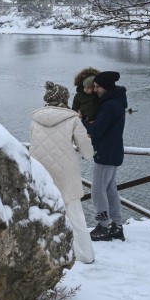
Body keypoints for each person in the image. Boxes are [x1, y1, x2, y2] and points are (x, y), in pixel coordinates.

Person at [30, 81, 96, 264]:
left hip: (40, 173)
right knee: (75, 215)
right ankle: (85, 256)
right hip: (66, 173)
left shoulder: (35, 118)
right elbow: (87, 152)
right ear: (65, 99)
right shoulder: (73, 118)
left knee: (43, 214)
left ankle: (46, 254)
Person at [85, 71, 128, 242]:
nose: (95, 90)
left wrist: (81, 121)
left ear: (106, 87)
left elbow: (97, 131)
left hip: (106, 153)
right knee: (110, 190)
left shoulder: (110, 106)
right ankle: (116, 226)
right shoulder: (117, 102)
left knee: (97, 191)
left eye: (97, 87)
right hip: (114, 151)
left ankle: (103, 227)